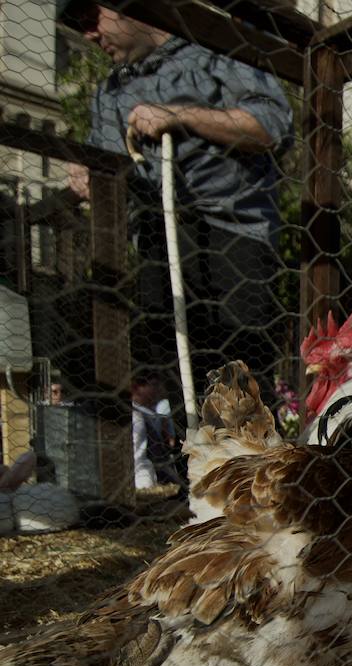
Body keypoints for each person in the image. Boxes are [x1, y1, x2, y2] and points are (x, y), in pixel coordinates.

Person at [61, 1, 293, 392]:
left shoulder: (214, 51)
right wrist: (86, 171)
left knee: (241, 388)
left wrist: (179, 116)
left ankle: (247, 453)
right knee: (180, 385)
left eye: (90, 16)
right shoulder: (110, 93)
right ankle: (188, 454)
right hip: (156, 244)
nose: (88, 34)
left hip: (231, 234)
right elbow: (107, 168)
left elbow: (272, 126)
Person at [130, 372, 183, 490]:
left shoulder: (153, 417)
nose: (159, 390)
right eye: (154, 385)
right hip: (149, 485)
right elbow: (139, 459)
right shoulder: (136, 417)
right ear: (136, 388)